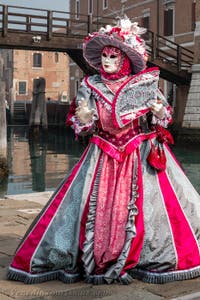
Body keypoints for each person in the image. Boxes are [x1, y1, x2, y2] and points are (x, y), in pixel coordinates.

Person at [7, 16, 200, 285]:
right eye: (104, 57)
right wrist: (84, 119)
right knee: (85, 207)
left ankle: (139, 257)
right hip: (102, 151)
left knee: (156, 212)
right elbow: (81, 126)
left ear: (125, 59)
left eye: (112, 57)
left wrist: (158, 112)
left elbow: (163, 116)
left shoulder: (144, 85)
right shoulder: (90, 86)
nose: (106, 62)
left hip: (137, 152)